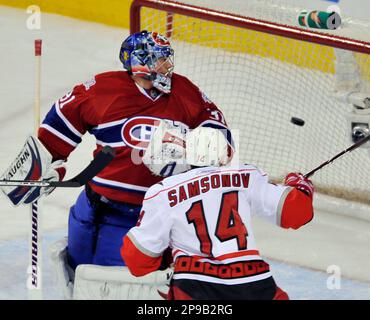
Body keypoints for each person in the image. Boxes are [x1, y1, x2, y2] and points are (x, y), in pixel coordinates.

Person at [0, 30, 233, 272]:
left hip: (155, 216)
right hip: (98, 207)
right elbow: (61, 121)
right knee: (76, 272)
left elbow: (221, 138)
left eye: (167, 58)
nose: (167, 65)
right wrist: (45, 163)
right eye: (160, 59)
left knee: (127, 283)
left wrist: (190, 149)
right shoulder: (102, 90)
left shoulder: (185, 92)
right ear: (140, 62)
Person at [121, 127, 315, 300]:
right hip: (252, 283)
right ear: (225, 155)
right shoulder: (246, 175)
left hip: (194, 285)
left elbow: (137, 260)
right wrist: (299, 184)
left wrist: (167, 255)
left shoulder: (163, 191)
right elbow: (297, 213)